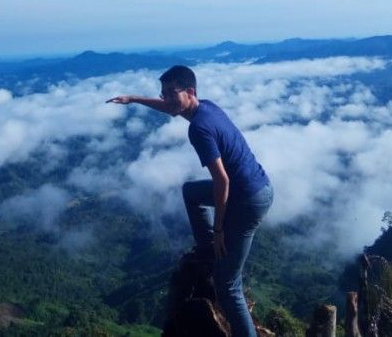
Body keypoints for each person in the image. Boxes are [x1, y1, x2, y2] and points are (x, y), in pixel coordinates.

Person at [107, 65, 273, 337]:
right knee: (191, 192)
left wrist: (219, 230)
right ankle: (209, 249)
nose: (167, 99)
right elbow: (171, 107)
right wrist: (134, 99)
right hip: (257, 186)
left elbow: (222, 182)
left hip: (248, 199)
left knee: (227, 285)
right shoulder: (206, 107)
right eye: (164, 94)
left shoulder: (199, 129)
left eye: (172, 93)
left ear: (190, 92)